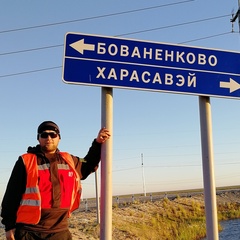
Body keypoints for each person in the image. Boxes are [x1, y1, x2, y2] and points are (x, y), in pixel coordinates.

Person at [1, 121, 111, 240]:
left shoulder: (69, 160)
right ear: (38, 138)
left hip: (60, 231)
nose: (48, 138)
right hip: (30, 232)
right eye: (44, 135)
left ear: (59, 138)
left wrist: (98, 143)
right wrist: (9, 226)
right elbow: (11, 195)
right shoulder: (25, 161)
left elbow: (88, 164)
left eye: (53, 135)